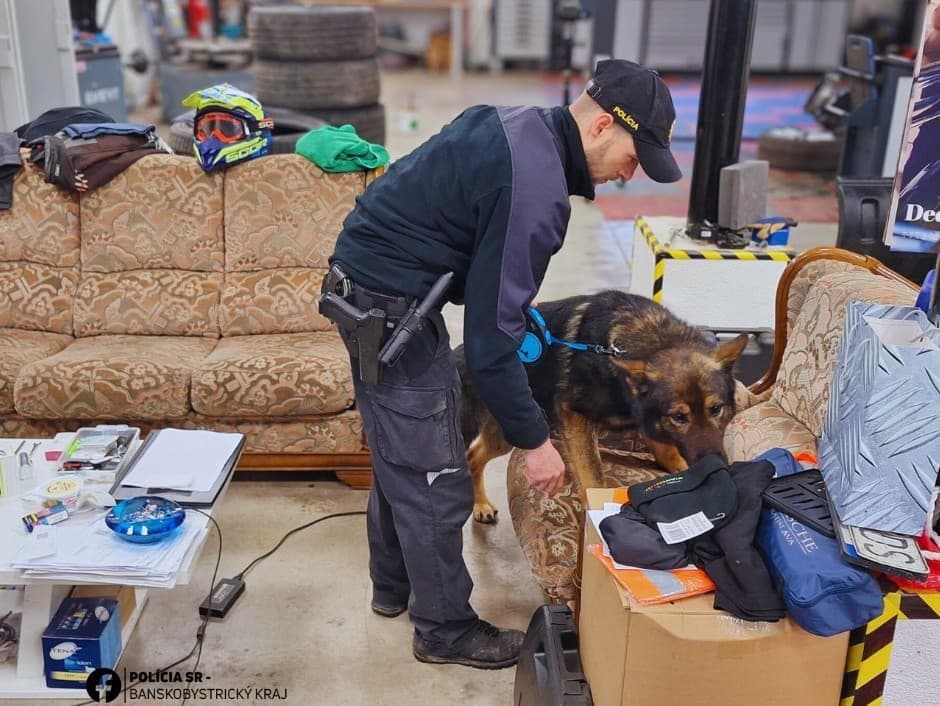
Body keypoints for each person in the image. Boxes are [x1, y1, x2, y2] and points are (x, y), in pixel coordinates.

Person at [322, 60, 681, 669]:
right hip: (390, 308)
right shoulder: (536, 192)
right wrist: (533, 441)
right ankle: (444, 631)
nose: (631, 173)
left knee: (401, 451)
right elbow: (489, 344)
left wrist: (514, 309)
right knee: (437, 475)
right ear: (599, 127)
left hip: (370, 290)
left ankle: (392, 588)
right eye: (633, 154)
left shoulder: (517, 124)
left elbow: (466, 241)